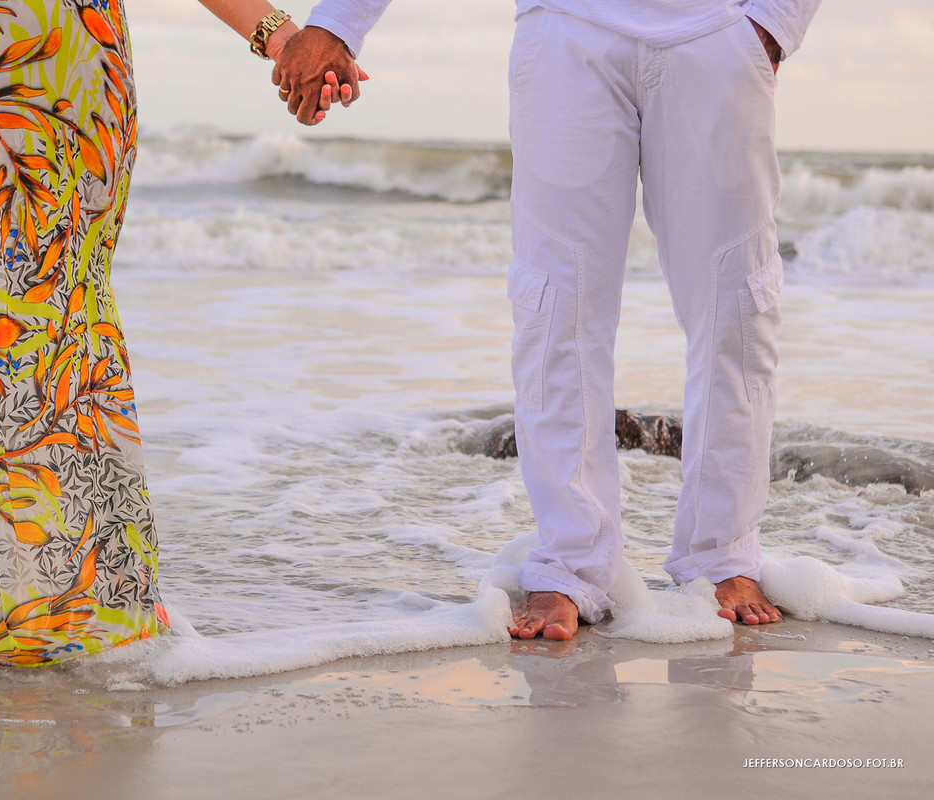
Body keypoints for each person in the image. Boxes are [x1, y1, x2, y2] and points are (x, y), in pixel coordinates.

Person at [0, 0, 360, 666]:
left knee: (72, 324)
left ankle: (90, 594)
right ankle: (18, 603)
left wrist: (284, 39)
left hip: (84, 74)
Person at [277, 0, 823, 639]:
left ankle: (723, 553)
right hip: (566, 32)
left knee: (737, 307)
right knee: (555, 308)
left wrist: (776, 23)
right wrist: (340, 21)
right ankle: (569, 563)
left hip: (716, 34)